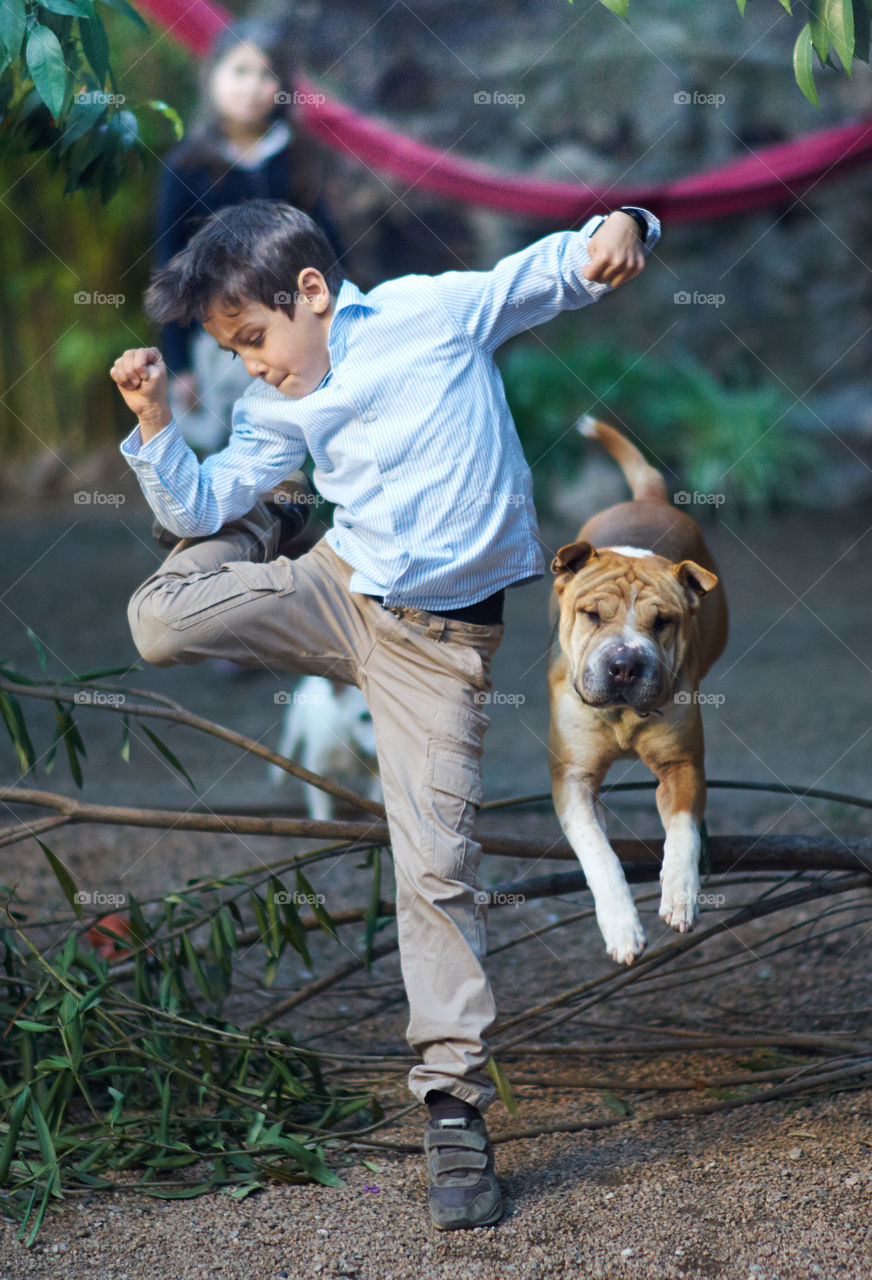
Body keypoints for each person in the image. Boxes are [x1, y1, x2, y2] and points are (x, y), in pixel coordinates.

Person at [110, 197, 659, 1231]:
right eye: (232, 351)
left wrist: (623, 221)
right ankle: (271, 524)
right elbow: (189, 507)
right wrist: (152, 424)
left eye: (254, 340)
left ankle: (452, 1105)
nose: (253, 367)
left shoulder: (430, 313)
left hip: (437, 650)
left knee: (437, 863)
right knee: (158, 617)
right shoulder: (271, 409)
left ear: (310, 293)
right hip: (331, 585)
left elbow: (554, 268)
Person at [154, 20, 343, 456]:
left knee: (298, 453)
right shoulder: (186, 165)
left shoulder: (295, 154)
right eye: (240, 71)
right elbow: (169, 260)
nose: (253, 86)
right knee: (230, 453)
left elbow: (328, 243)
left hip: (298, 333)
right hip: (219, 344)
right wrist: (180, 364)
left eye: (266, 74)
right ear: (213, 76)